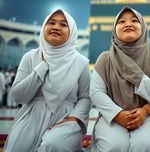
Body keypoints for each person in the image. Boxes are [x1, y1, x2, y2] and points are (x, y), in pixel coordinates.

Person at [4, 9, 91, 152]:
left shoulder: (80, 62)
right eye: (51, 23)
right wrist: (42, 67)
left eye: (63, 24)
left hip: (65, 118)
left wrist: (75, 119)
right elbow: (18, 96)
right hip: (31, 117)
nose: (56, 27)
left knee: (52, 146)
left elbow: (85, 97)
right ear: (44, 26)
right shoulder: (31, 57)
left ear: (71, 32)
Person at [90, 6, 150, 152]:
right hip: (113, 116)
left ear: (144, 27)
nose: (128, 24)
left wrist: (145, 110)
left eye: (134, 20)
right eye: (121, 22)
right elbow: (96, 92)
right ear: (114, 30)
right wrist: (118, 114)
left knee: (145, 146)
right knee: (114, 146)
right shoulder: (105, 58)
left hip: (149, 115)